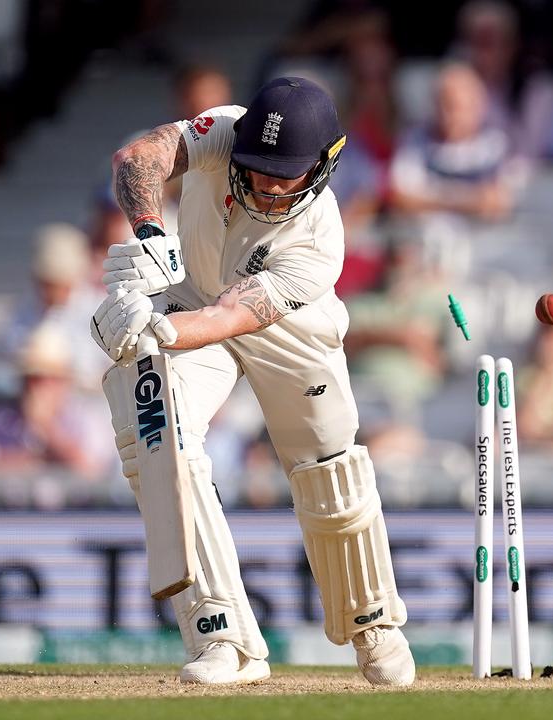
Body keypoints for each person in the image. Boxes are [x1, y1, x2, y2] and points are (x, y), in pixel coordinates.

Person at [89, 77, 415, 686]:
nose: (265, 183)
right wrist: (150, 233)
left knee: (329, 473)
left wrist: (155, 328)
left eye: (283, 173)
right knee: (154, 427)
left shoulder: (319, 244)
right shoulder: (226, 130)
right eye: (257, 167)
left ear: (324, 164)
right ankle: (223, 637)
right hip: (194, 294)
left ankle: (372, 624)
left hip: (285, 324)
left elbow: (225, 320)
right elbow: (139, 158)